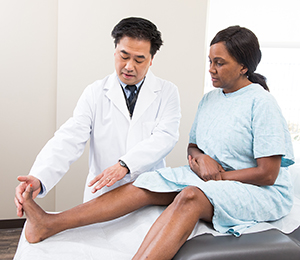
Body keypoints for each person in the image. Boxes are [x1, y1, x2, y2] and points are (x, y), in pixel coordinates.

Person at [20, 26, 294, 260]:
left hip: (256, 189)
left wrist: (219, 177)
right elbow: (192, 146)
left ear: (244, 66)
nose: (211, 69)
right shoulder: (210, 99)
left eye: (219, 63)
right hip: (211, 179)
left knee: (190, 196)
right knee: (146, 183)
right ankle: (49, 223)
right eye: (209, 61)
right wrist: (200, 158)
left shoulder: (262, 102)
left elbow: (268, 174)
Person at [14, 17, 181, 217]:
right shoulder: (95, 92)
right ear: (115, 51)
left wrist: (125, 165)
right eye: (124, 56)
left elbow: (165, 137)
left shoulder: (167, 92)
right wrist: (39, 177)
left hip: (147, 193)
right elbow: (70, 138)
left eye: (139, 59)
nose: (129, 66)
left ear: (151, 59)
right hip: (103, 194)